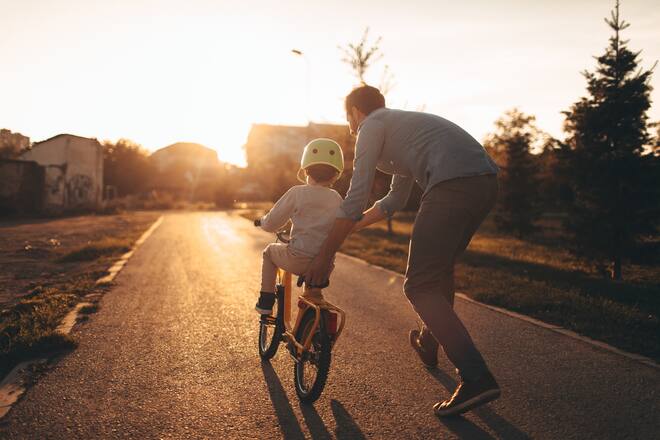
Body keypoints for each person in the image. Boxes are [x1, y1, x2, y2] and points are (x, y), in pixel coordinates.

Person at [304, 85, 501, 417]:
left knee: (418, 285)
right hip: (484, 183)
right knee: (437, 274)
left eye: (347, 116)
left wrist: (325, 255)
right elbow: (394, 201)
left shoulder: (372, 126)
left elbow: (355, 197)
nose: (349, 124)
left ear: (354, 112)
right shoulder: (400, 131)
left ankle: (476, 376)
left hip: (452, 184)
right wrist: (349, 228)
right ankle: (429, 340)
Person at [255, 138, 344, 314]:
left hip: (298, 259)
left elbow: (273, 222)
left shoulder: (297, 193)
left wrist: (263, 222)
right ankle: (309, 325)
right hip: (324, 266)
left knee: (269, 252)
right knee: (312, 296)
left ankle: (265, 301)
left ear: (305, 170)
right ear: (335, 174)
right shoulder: (336, 198)